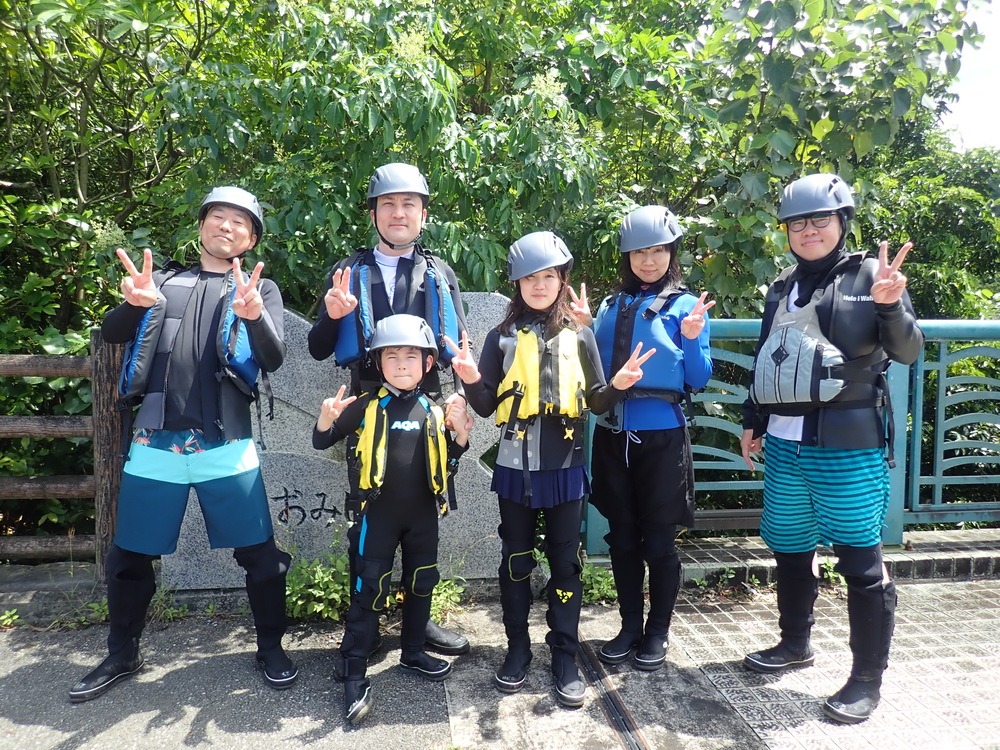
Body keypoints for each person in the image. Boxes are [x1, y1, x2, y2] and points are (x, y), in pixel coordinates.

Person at [70, 186, 295, 703]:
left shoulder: (260, 289)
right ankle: (122, 653)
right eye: (218, 216)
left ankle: (271, 647)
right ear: (201, 226)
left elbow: (274, 358)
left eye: (240, 222)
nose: (227, 226)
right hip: (155, 443)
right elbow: (113, 333)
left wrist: (254, 316)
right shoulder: (164, 283)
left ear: (251, 240)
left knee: (261, 556)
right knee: (128, 558)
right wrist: (133, 304)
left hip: (226, 444)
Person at [739, 173, 922, 724]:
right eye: (797, 222)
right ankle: (794, 643)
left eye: (820, 219)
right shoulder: (781, 286)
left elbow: (908, 351)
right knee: (790, 548)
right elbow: (768, 357)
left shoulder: (871, 275)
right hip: (785, 442)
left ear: (842, 221)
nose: (809, 230)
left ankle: (866, 679)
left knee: (861, 562)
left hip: (847, 444)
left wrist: (890, 306)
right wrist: (753, 420)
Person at [445, 231, 654, 708]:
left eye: (548, 277)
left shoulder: (580, 335)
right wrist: (471, 378)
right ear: (516, 284)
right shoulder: (500, 338)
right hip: (514, 468)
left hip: (565, 468)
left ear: (562, 280)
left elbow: (597, 401)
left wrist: (619, 384)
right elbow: (484, 406)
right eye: (529, 278)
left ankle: (564, 653)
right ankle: (517, 649)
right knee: (516, 560)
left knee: (565, 564)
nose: (539, 286)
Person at [308, 162, 471, 658]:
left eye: (409, 204)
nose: (398, 213)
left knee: (422, 516)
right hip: (366, 408)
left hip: (426, 406)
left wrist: (460, 400)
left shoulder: (439, 273)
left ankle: (418, 625)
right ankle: (366, 625)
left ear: (423, 215)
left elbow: (457, 346)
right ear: (374, 214)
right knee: (368, 521)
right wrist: (332, 315)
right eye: (388, 204)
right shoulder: (348, 272)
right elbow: (318, 347)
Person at [313, 314, 471, 724]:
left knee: (422, 583)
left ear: (428, 363)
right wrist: (327, 418)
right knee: (368, 587)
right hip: (378, 515)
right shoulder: (366, 407)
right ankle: (354, 671)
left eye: (411, 356)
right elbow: (322, 440)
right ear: (377, 363)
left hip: (422, 517)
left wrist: (461, 435)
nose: (401, 364)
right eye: (391, 356)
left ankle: (413, 651)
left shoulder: (433, 410)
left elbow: (448, 460)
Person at [583, 205, 714, 672]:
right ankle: (628, 627)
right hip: (613, 434)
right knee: (622, 539)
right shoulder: (609, 306)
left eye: (658, 251)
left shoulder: (685, 306)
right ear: (627, 257)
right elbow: (592, 373)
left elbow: (698, 377)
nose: (649, 260)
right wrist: (583, 328)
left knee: (658, 542)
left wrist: (693, 337)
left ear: (672, 253)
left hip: (662, 438)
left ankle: (657, 631)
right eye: (639, 252)